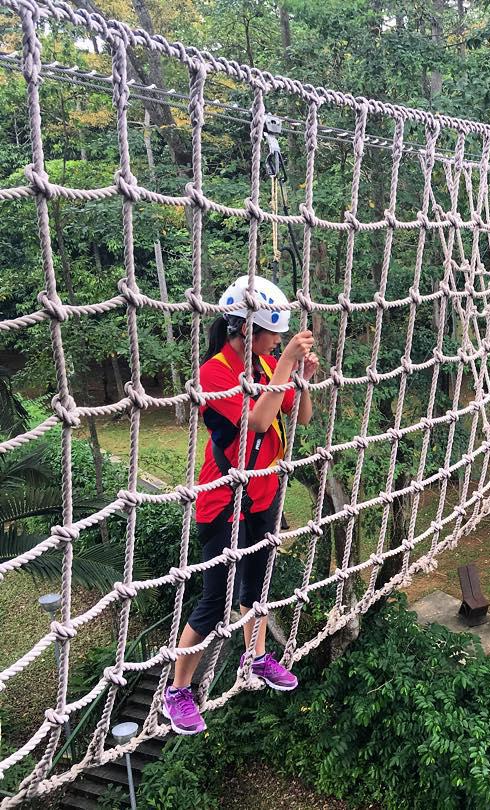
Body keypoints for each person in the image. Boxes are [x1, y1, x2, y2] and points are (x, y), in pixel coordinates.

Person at [163, 275, 320, 736]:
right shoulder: (215, 372)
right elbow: (255, 422)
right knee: (215, 600)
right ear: (246, 328)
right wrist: (286, 363)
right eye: (272, 333)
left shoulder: (268, 365)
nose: (276, 341)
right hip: (223, 500)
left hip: (264, 496)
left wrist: (302, 379)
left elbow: (301, 417)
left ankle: (255, 659)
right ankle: (178, 690)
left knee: (258, 588)